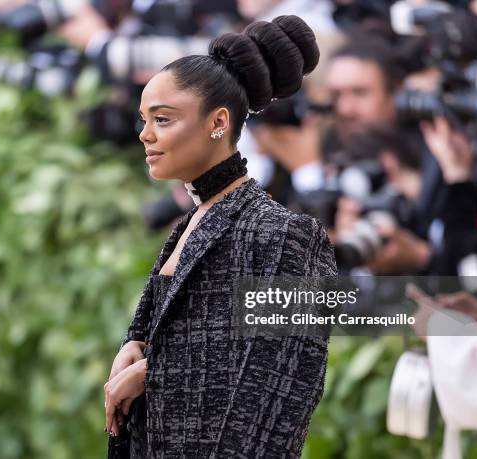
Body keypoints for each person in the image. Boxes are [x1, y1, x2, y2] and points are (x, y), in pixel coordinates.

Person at [104, 15, 338, 458]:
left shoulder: (284, 234)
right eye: (144, 119)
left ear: (218, 122)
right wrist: (136, 346)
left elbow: (280, 393)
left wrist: (153, 374)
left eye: (163, 119)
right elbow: (197, 339)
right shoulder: (190, 222)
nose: (145, 135)